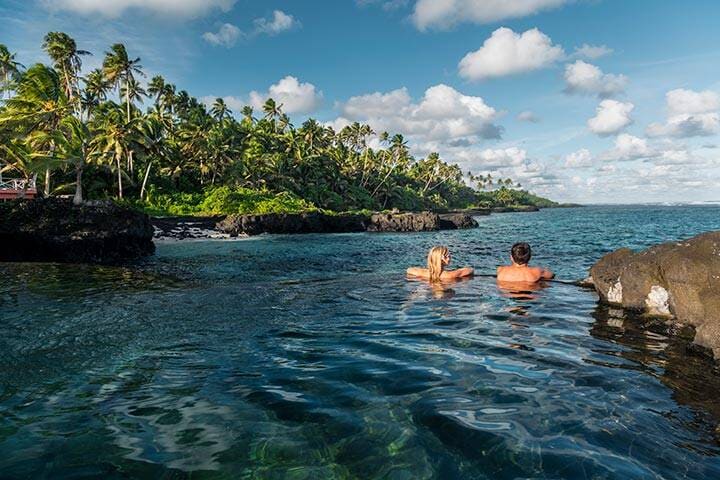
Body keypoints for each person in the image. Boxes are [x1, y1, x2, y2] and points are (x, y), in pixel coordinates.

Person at [407, 246, 474, 282]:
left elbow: (409, 270)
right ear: (441, 259)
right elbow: (470, 270)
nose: (450, 257)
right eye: (447, 255)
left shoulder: (425, 273)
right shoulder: (449, 275)